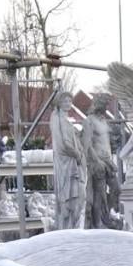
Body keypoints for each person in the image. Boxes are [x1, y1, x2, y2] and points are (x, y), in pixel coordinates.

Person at [83, 92, 121, 228]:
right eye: (104, 104)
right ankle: (98, 223)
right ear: (98, 104)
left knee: (116, 189)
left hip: (108, 161)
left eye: (107, 104)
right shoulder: (89, 121)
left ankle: (107, 215)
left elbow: (106, 140)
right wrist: (96, 161)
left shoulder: (103, 120)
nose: (106, 107)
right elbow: (86, 145)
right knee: (99, 195)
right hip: (97, 161)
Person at [50, 90, 86, 229]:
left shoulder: (61, 119)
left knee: (72, 195)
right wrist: (77, 154)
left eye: (70, 101)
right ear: (59, 103)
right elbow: (65, 143)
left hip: (68, 161)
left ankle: (69, 225)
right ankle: (68, 226)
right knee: (71, 196)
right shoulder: (60, 120)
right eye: (65, 101)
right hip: (68, 162)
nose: (68, 104)